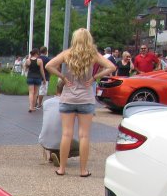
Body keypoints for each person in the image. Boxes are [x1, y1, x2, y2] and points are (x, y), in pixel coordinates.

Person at [46, 28, 116, 177]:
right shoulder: (92, 55)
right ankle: (83, 170)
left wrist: (63, 77)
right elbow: (111, 67)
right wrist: (95, 76)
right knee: (84, 135)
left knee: (66, 134)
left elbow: (49, 65)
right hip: (86, 98)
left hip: (68, 97)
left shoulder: (67, 54)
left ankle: (62, 168)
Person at [38, 80, 79, 167]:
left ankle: (54, 154)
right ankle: (61, 156)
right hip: (61, 139)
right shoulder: (71, 104)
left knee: (58, 134)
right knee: (81, 147)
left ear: (57, 90)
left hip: (44, 140)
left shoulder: (46, 103)